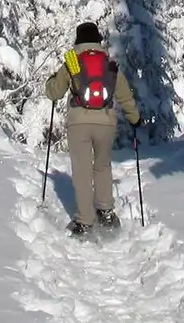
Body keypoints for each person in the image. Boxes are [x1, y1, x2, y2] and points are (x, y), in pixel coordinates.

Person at [45, 21, 141, 236]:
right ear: (98, 40)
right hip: (106, 122)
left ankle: (85, 221)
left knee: (81, 171)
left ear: (78, 40)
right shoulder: (108, 62)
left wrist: (50, 82)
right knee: (102, 166)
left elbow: (54, 92)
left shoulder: (72, 61)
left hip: (78, 122)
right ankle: (106, 212)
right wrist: (134, 118)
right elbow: (124, 95)